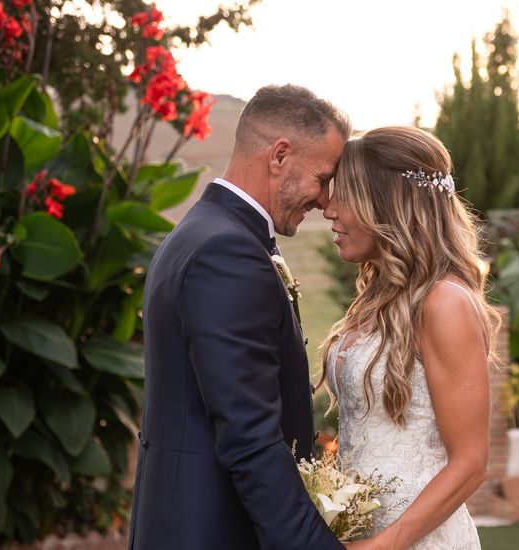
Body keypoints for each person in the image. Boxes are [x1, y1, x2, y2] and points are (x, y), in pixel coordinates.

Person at [127, 84, 350, 550]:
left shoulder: (199, 232)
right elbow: (249, 438)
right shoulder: (228, 252)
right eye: (322, 178)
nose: (325, 201)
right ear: (280, 155)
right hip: (211, 530)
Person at [320, 126, 500, 550]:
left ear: (386, 203)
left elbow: (471, 463)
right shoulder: (377, 298)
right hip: (360, 531)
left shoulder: (445, 302)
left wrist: (382, 546)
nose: (328, 209)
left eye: (344, 194)